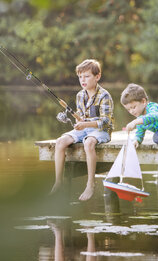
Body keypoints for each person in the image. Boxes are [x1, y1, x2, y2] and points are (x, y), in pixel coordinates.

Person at [49, 59, 114, 201]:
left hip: (101, 131)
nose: (82, 80)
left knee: (88, 143)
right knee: (60, 142)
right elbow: (81, 117)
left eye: (86, 76)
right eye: (80, 77)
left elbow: (105, 121)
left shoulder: (104, 95)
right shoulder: (80, 95)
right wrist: (79, 122)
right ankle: (58, 182)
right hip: (85, 129)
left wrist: (85, 125)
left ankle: (90, 184)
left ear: (97, 77)